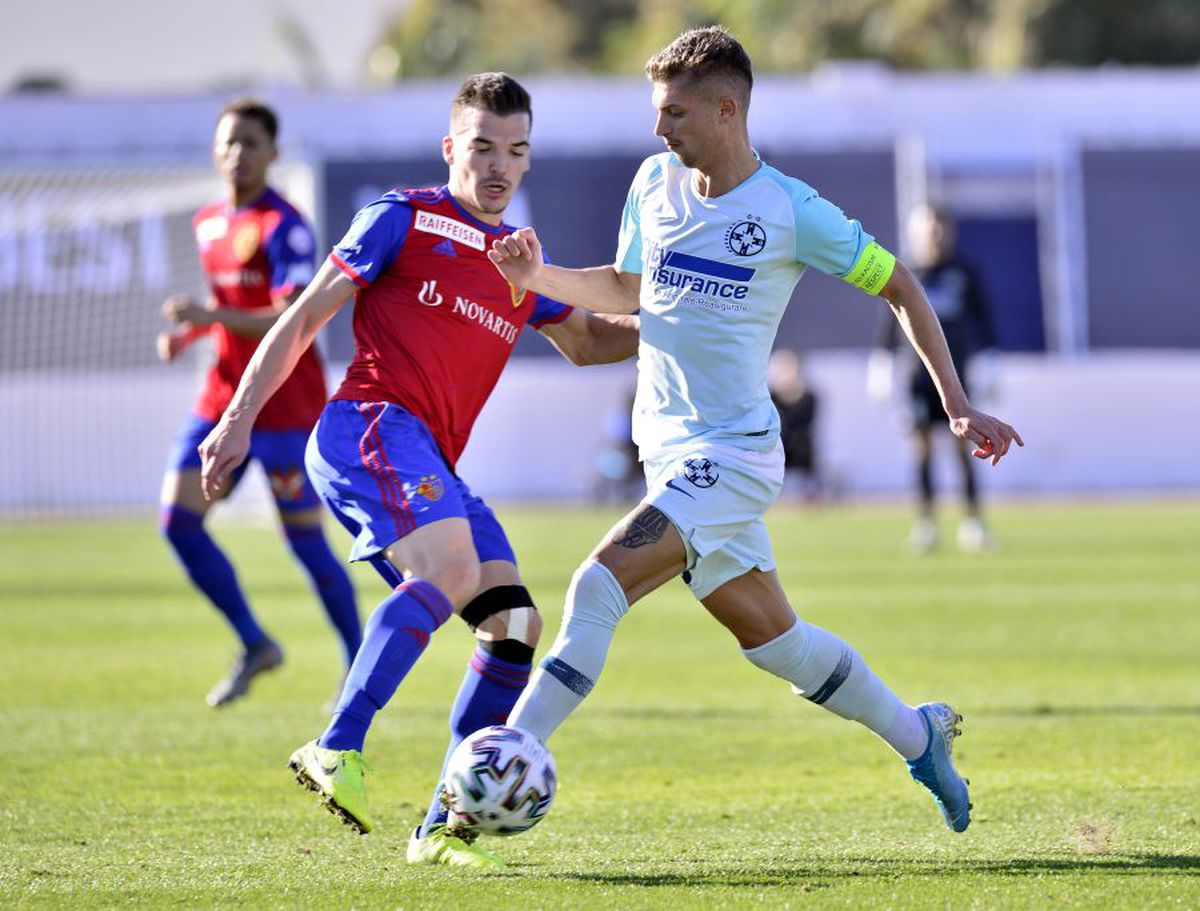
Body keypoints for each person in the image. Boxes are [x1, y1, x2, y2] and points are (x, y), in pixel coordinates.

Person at [488, 26, 1022, 837]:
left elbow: (902, 285)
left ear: (726, 109)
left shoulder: (790, 210)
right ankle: (921, 735)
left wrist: (954, 401)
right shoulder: (654, 182)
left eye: (673, 113)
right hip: (664, 455)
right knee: (777, 643)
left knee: (597, 585)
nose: (659, 129)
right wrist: (538, 278)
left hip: (733, 456)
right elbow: (627, 285)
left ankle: (501, 764)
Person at [196, 74, 638, 866]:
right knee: (453, 566)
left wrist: (691, 320)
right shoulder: (403, 216)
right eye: (482, 147)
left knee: (515, 626)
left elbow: (591, 340)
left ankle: (442, 824)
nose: (499, 165)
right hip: (367, 425)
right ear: (451, 149)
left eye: (515, 150)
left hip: (429, 456)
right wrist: (237, 418)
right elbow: (302, 319)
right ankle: (336, 744)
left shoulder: (519, 266)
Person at [158, 98, 361, 709]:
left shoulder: (286, 226)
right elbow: (231, 305)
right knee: (178, 523)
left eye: (251, 143)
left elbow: (291, 317)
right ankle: (255, 643)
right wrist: (192, 333)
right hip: (219, 402)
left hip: (284, 414)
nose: (237, 154)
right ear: (215, 151)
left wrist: (206, 315)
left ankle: (356, 669)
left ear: (273, 153)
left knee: (303, 543)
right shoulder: (208, 223)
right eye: (228, 142)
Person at [869, 204, 998, 553]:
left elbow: (984, 321)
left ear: (949, 230)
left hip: (956, 377)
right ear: (915, 231)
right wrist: (883, 366)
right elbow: (890, 323)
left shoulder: (965, 272)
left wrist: (990, 364)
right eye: (927, 228)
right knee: (921, 452)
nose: (934, 235)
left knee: (965, 450)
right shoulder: (905, 271)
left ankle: (973, 522)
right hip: (917, 378)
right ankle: (926, 524)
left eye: (939, 227)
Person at [768, 348, 821, 502]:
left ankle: (810, 493)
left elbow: (807, 424)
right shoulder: (770, 398)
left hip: (800, 449)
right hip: (778, 446)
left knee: (804, 445)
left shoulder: (810, 397)